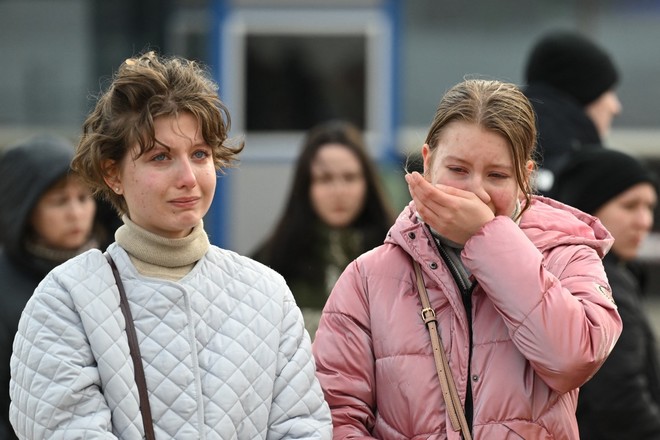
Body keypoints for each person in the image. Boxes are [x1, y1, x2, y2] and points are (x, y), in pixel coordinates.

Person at [9, 51, 331, 439]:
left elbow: (302, 426)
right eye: (160, 157)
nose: (188, 178)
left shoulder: (267, 293)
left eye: (200, 154)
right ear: (112, 173)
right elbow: (65, 429)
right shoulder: (66, 299)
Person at [312, 78, 623, 438]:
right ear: (428, 162)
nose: (476, 191)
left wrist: (487, 238)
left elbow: (574, 358)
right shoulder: (367, 277)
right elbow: (335, 416)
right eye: (458, 170)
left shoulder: (567, 253)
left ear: (524, 178)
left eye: (497, 175)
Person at [0, 134, 117, 440]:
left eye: (83, 198)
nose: (76, 213)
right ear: (25, 210)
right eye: (59, 201)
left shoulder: (117, 267)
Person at [549, 147, 660, 439]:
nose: (645, 221)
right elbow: (619, 403)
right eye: (630, 206)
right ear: (589, 210)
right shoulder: (601, 281)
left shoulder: (614, 273)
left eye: (649, 207)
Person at [252, 119, 394, 338]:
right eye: (325, 179)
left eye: (350, 177)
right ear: (306, 186)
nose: (339, 191)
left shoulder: (395, 257)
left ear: (367, 183)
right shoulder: (270, 264)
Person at [523, 30, 622, 193]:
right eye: (608, 92)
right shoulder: (578, 174)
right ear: (583, 92)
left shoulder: (504, 145)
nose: (616, 108)